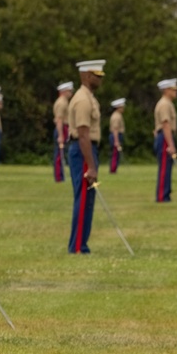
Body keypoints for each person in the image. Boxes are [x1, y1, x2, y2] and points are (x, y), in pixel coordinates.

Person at [67, 60, 104, 254]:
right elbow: (82, 134)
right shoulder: (82, 99)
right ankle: (78, 247)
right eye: (97, 75)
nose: (100, 79)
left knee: (87, 199)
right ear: (87, 76)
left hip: (87, 150)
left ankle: (80, 244)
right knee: (83, 200)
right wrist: (91, 165)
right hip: (83, 152)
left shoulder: (89, 97)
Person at [153, 78, 177, 202]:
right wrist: (171, 144)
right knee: (164, 167)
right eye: (173, 89)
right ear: (166, 90)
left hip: (164, 136)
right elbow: (165, 124)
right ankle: (162, 196)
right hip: (165, 137)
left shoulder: (167, 103)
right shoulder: (164, 104)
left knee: (167, 166)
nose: (176, 91)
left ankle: (165, 193)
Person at [53, 82, 74, 182]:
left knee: (62, 153)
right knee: (59, 154)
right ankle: (59, 176)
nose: (71, 93)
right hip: (62, 128)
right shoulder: (62, 102)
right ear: (64, 91)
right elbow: (59, 119)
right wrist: (61, 135)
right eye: (69, 91)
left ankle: (61, 175)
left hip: (65, 128)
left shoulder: (64, 102)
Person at [109, 98, 125, 173]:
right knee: (115, 153)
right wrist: (116, 141)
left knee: (116, 153)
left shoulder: (118, 115)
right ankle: (113, 169)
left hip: (117, 135)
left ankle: (114, 168)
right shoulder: (116, 116)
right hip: (116, 135)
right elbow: (115, 129)